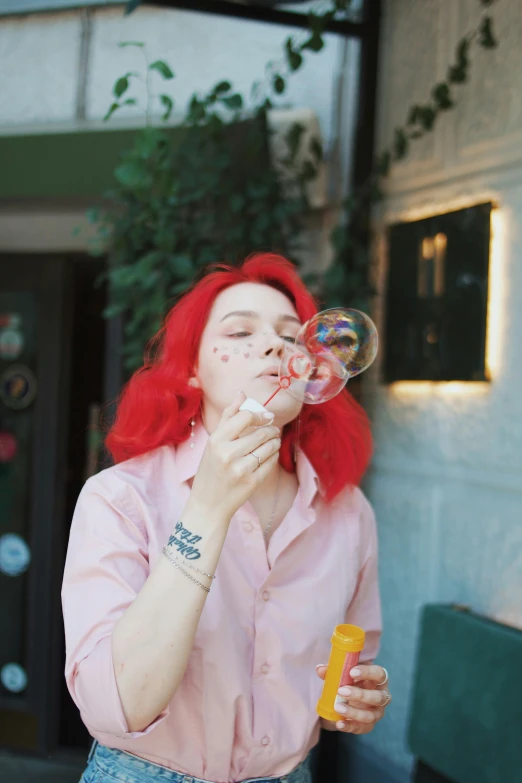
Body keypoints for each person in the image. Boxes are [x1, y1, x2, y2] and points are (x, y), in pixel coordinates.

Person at [62, 253, 391, 783]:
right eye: (240, 332)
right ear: (192, 369)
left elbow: (337, 695)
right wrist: (209, 508)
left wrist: (352, 704)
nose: (274, 346)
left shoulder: (347, 513)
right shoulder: (119, 499)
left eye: (292, 336)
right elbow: (118, 706)